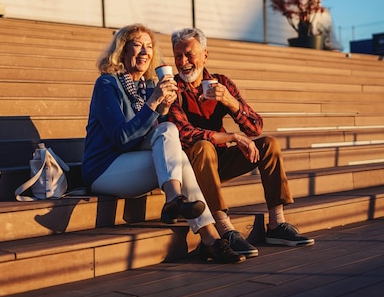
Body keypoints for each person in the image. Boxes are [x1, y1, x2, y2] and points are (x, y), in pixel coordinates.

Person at [82, 23, 244, 264]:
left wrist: (165, 108)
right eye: (137, 46)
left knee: (170, 131)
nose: (145, 52)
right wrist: (153, 103)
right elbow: (122, 139)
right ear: (123, 51)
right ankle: (207, 233)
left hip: (134, 163)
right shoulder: (107, 85)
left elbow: (158, 135)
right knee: (176, 150)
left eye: (149, 47)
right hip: (104, 169)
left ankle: (190, 218)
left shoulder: (147, 86)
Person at [166, 27, 315, 257]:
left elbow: (255, 127)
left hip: (220, 161)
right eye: (178, 55)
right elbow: (184, 132)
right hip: (192, 168)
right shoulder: (172, 88)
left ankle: (276, 224)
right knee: (203, 146)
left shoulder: (221, 83)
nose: (183, 61)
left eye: (189, 54)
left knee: (269, 144)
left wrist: (230, 102)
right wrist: (233, 137)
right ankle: (224, 228)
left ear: (205, 55)